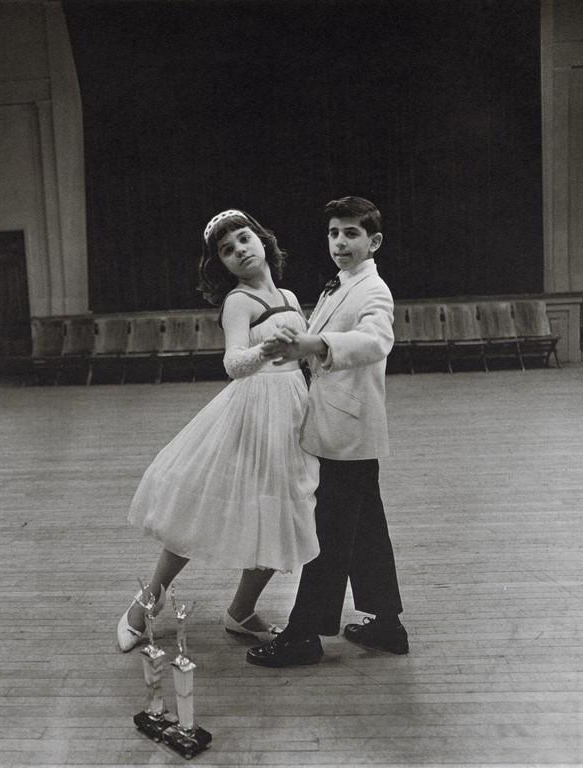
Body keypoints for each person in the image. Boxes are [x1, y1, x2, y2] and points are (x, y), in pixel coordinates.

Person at [117, 209, 319, 652]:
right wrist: (265, 349)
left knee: (282, 517)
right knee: (201, 512)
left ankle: (241, 612)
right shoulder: (239, 301)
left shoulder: (288, 293)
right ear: (222, 265)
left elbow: (304, 357)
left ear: (262, 240)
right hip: (252, 413)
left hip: (292, 412)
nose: (239, 251)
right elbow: (233, 364)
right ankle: (145, 604)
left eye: (244, 239)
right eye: (227, 250)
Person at [247, 196, 407, 667]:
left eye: (352, 233)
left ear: (374, 241)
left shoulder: (374, 291)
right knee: (365, 530)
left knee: (330, 534)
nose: (340, 242)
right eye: (334, 233)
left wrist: (315, 343)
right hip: (344, 428)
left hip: (348, 431)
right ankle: (387, 625)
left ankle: (303, 635)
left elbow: (376, 340)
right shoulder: (341, 286)